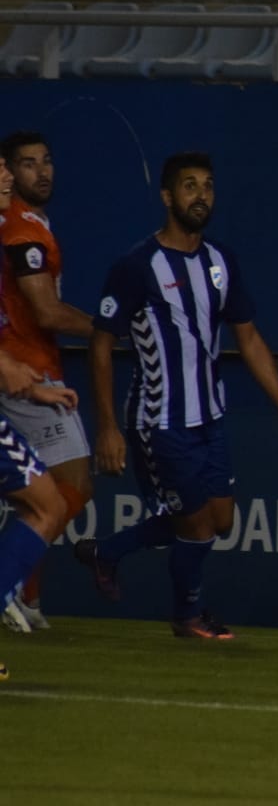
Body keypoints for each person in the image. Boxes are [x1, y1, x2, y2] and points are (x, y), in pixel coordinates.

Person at [73, 151, 278, 641]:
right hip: (160, 420)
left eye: (207, 186)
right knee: (197, 526)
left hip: (210, 416)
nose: (200, 195)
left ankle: (107, 552)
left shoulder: (221, 261)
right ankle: (188, 615)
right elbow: (101, 345)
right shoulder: (137, 265)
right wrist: (106, 426)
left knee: (219, 520)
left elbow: (248, 337)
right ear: (167, 196)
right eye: (189, 186)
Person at [0, 131, 98, 634]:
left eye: (47, 160)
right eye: (26, 164)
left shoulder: (28, 222)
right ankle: (14, 584)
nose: (41, 172)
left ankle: (23, 588)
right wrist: (108, 324)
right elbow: (44, 310)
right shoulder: (20, 229)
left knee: (53, 494)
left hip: (30, 372)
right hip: (21, 370)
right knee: (63, 490)